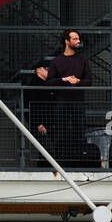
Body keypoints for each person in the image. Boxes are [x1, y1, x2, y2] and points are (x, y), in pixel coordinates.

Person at [46, 29, 91, 167]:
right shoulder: (57, 61)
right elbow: (50, 82)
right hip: (62, 101)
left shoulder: (82, 60)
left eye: (78, 39)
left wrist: (78, 81)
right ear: (67, 41)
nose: (78, 41)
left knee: (79, 129)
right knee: (61, 129)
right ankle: (60, 161)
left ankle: (80, 159)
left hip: (78, 101)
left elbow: (89, 81)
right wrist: (64, 79)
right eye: (75, 39)